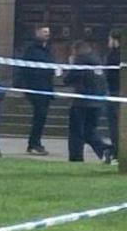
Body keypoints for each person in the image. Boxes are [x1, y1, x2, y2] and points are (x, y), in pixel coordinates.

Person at [63, 41, 113, 164]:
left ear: (76, 50)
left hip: (81, 102)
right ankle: (104, 150)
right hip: (97, 102)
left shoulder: (80, 61)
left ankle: (76, 157)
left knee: (76, 132)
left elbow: (68, 79)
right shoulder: (97, 61)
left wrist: (71, 65)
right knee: (89, 131)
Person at [16, 26, 57, 155]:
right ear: (37, 33)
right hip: (36, 88)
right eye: (44, 32)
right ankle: (34, 144)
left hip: (46, 88)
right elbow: (25, 69)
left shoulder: (48, 50)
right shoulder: (31, 50)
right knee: (39, 116)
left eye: (48, 32)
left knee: (41, 117)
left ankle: (35, 143)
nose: (47, 35)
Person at [106, 31, 121, 159]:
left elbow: (109, 75)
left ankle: (116, 151)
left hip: (114, 92)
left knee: (114, 125)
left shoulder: (113, 56)